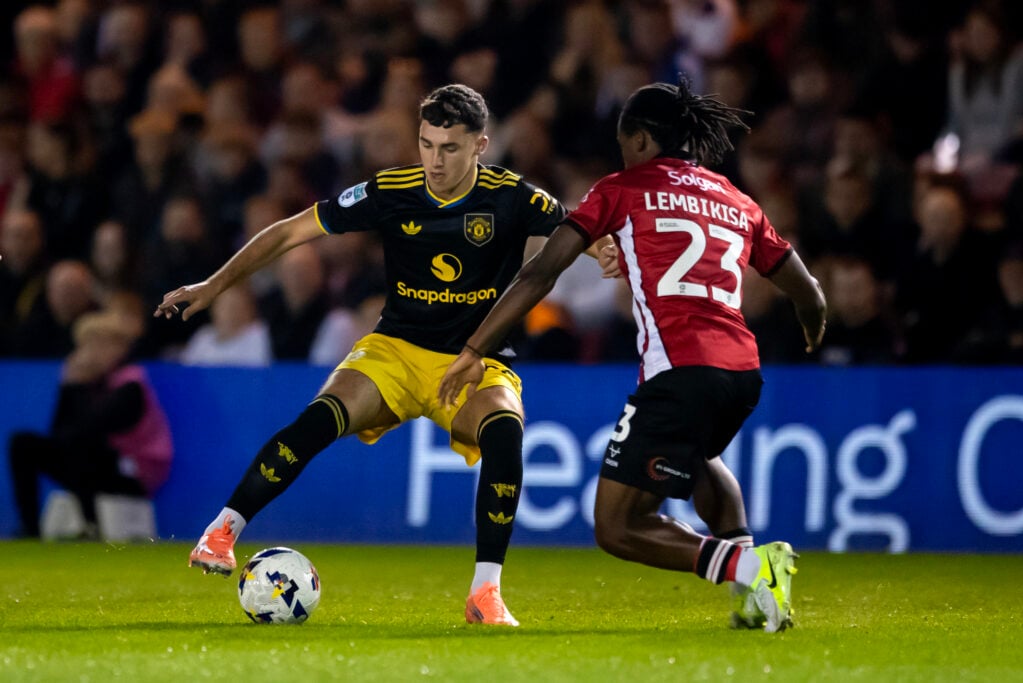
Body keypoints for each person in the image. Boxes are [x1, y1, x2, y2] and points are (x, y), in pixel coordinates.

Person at [155, 84, 595, 626]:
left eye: (450, 148)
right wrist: (214, 285)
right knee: (318, 419)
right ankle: (221, 533)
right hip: (393, 351)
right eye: (426, 143)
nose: (434, 160)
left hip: (473, 358)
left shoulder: (513, 196)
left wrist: (611, 248)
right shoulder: (392, 189)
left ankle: (485, 593)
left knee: (505, 432)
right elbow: (292, 231)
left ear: (481, 145)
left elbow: (582, 229)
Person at [439, 79, 827, 633]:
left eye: (624, 143)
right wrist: (814, 326)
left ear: (641, 139)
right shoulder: (734, 197)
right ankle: (757, 591)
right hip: (742, 371)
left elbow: (542, 271)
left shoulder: (621, 188)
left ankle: (746, 566)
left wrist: (476, 346)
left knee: (617, 526)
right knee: (698, 459)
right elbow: (806, 290)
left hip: (681, 371)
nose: (621, 154)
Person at [7, 309, 173, 538]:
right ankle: (30, 529)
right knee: (23, 444)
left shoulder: (130, 384)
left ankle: (91, 524)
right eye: (85, 346)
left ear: (119, 347)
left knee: (84, 449)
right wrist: (69, 385)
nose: (88, 354)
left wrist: (74, 386)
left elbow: (87, 430)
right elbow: (59, 434)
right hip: (96, 467)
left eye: (97, 345)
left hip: (132, 475)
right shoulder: (93, 382)